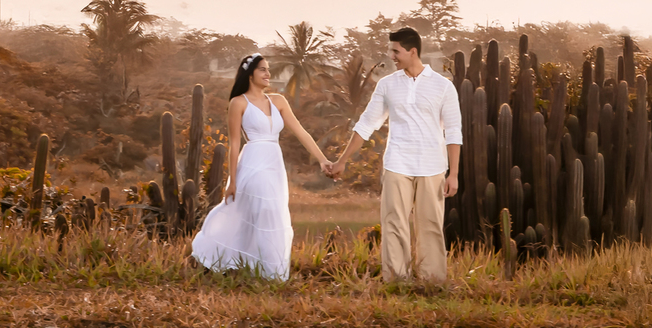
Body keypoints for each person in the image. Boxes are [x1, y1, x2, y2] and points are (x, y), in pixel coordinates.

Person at [327, 26, 462, 289]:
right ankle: (396, 282)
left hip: (432, 166)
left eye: (395, 51)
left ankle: (432, 283)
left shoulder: (443, 87)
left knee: (431, 226)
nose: (392, 56)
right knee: (393, 224)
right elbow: (367, 124)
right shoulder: (387, 85)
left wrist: (453, 173)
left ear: (413, 51)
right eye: (390, 50)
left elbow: (454, 131)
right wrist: (342, 160)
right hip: (397, 163)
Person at [191, 51, 334, 281]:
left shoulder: (278, 101)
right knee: (263, 212)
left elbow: (301, 132)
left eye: (268, 69)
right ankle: (262, 271)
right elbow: (235, 144)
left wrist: (322, 159)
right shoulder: (238, 103)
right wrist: (233, 181)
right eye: (263, 69)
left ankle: (268, 272)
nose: (268, 74)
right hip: (253, 162)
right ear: (250, 75)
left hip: (274, 163)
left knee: (273, 212)